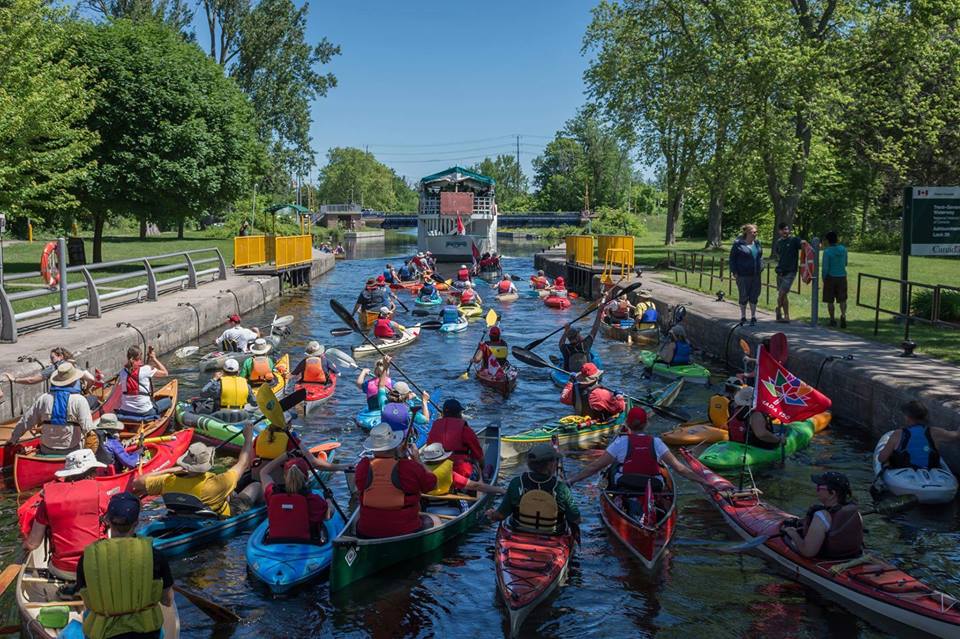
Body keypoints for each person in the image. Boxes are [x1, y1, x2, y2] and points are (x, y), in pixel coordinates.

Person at [76, 492, 174, 639]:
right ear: (136, 522)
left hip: (104, 634)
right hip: (147, 634)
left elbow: (88, 603)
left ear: (108, 520)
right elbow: (167, 600)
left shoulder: (88, 557)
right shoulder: (155, 556)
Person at [566, 407, 714, 493]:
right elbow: (680, 469)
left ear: (627, 424)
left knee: (611, 468)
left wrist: (572, 480)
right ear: (646, 424)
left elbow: (595, 467)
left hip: (626, 483)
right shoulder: (657, 442)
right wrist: (704, 482)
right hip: (654, 485)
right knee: (663, 471)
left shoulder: (619, 442)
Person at [133, 422, 257, 516]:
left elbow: (137, 483)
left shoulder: (167, 481)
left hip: (181, 515)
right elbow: (243, 463)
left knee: (230, 492)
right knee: (256, 486)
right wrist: (248, 438)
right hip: (218, 518)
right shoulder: (217, 483)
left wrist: (169, 470)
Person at [23, 449, 109, 580]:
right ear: (91, 473)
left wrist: (24, 547)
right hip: (96, 568)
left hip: (62, 570)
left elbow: (32, 544)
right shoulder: (100, 493)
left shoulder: (47, 499)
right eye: (95, 471)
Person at [354, 424, 438, 538]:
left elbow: (362, 488)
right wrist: (417, 460)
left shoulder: (363, 465)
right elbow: (432, 484)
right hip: (406, 529)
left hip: (366, 531)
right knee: (435, 520)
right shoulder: (409, 466)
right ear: (394, 445)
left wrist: (401, 458)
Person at [486, 443, 580, 538]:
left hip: (519, 532)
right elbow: (576, 519)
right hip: (552, 536)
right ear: (550, 464)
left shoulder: (516, 483)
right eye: (556, 460)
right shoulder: (561, 488)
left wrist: (492, 514)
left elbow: (500, 516)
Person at [9, 362, 95, 455]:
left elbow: (26, 421)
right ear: (74, 381)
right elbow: (89, 431)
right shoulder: (80, 400)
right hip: (72, 452)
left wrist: (13, 439)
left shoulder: (44, 398)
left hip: (46, 449)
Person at [259, 448, 338, 542]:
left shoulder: (272, 494)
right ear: (307, 478)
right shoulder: (312, 499)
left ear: (285, 477)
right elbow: (328, 515)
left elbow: (263, 472)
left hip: (275, 542)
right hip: (306, 543)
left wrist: (284, 456)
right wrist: (328, 499)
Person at [782, 472, 863, 559]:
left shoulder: (822, 516)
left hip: (828, 559)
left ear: (832, 494)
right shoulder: (854, 512)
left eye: (819, 488)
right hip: (851, 556)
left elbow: (808, 552)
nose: (816, 490)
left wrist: (792, 533)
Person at [876, 400, 960, 470]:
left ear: (908, 417)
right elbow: (956, 435)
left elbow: (881, 458)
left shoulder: (898, 434)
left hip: (904, 474)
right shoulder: (936, 432)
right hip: (931, 471)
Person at [426, 399, 483, 479]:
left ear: (443, 413)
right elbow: (478, 455)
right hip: (460, 472)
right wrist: (482, 468)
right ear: (459, 413)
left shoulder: (435, 427)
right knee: (480, 466)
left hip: (436, 471)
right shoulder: (465, 430)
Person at [420, 443, 504, 496]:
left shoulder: (419, 470)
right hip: (447, 505)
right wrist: (501, 490)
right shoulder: (447, 471)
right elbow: (475, 486)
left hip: (425, 505)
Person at [3, 346, 95, 388]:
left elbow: (31, 380)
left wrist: (15, 379)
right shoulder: (74, 365)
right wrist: (86, 390)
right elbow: (91, 379)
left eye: (52, 358)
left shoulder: (54, 368)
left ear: (60, 357)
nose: (51, 361)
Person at [117, 345, 168, 420]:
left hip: (125, 410)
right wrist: (154, 359)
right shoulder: (146, 369)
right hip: (144, 411)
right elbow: (165, 373)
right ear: (140, 356)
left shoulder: (122, 372)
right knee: (168, 401)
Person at [560, 362, 625, 420]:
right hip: (597, 423)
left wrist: (571, 381)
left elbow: (563, 398)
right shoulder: (601, 394)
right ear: (596, 377)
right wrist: (619, 396)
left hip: (580, 419)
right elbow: (619, 408)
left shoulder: (574, 390)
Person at [729, 223, 763, 326]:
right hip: (742, 275)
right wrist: (734, 272)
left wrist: (762, 266)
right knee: (743, 295)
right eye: (753, 232)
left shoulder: (757, 243)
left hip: (756, 274)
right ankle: (743, 316)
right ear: (747, 233)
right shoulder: (738, 245)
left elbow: (760, 256)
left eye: (756, 232)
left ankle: (753, 316)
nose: (755, 234)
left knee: (754, 295)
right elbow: (732, 259)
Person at [558, 304, 606, 372]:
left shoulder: (565, 348)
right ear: (577, 337)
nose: (581, 335)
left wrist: (566, 331)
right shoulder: (585, 344)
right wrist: (599, 312)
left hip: (569, 373)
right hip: (585, 372)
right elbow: (595, 328)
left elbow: (560, 343)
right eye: (579, 334)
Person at [773, 222, 802, 323]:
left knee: (782, 293)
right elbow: (778, 254)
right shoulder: (779, 242)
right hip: (780, 271)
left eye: (786, 229)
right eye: (783, 230)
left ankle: (778, 309)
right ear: (779, 231)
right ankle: (786, 316)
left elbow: (803, 246)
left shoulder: (794, 240)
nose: (785, 231)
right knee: (783, 295)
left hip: (791, 272)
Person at [821, 230, 848, 328]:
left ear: (828, 241)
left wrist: (824, 278)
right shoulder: (844, 249)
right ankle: (843, 315)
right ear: (837, 239)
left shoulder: (827, 252)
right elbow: (845, 263)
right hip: (842, 276)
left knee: (830, 300)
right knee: (842, 299)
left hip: (830, 277)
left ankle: (832, 320)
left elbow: (825, 267)